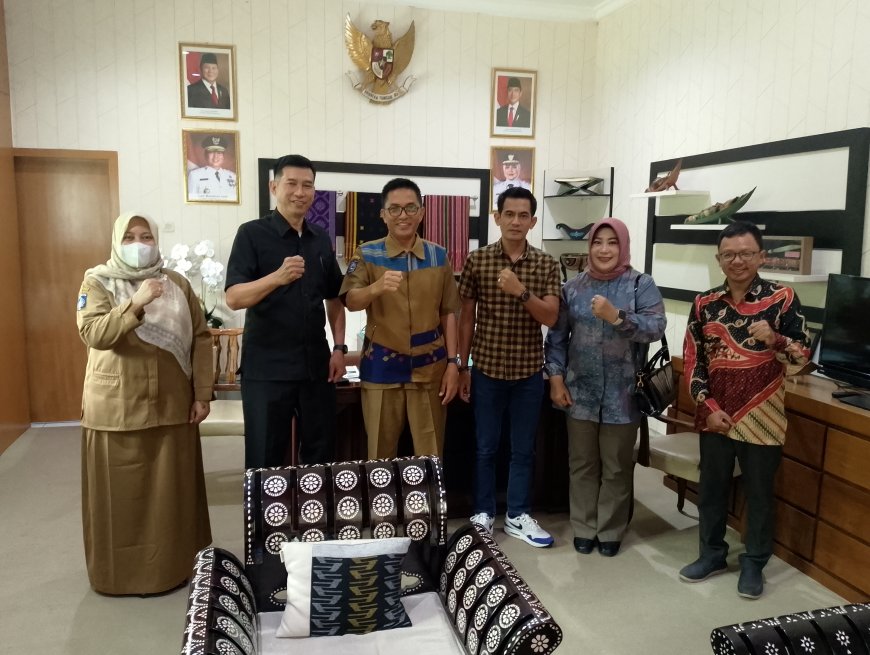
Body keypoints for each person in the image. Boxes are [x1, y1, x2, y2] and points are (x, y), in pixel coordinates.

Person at [77, 211, 213, 595]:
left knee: (171, 495)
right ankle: (117, 577)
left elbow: (201, 338)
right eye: (130, 237)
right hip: (116, 407)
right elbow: (94, 334)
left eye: (146, 236)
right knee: (120, 497)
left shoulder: (176, 284)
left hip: (172, 405)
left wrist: (202, 393)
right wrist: (135, 303)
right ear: (116, 241)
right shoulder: (97, 282)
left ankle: (173, 569)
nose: (139, 244)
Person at [678, 220, 810, 599]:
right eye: (729, 254)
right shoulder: (704, 304)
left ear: (761, 256)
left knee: (760, 494)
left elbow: (802, 358)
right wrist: (707, 405)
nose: (737, 261)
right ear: (719, 259)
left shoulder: (782, 298)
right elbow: (693, 360)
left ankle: (754, 562)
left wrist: (776, 338)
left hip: (763, 417)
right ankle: (712, 554)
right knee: (712, 490)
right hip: (715, 415)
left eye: (746, 253)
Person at [545, 218, 666, 557]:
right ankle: (584, 526)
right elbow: (557, 338)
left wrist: (617, 317)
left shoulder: (640, 284)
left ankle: (610, 529)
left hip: (623, 395)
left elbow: (656, 327)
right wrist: (555, 378)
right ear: (589, 246)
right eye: (598, 242)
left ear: (623, 246)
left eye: (612, 242)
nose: (604, 249)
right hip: (579, 392)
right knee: (581, 463)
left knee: (616, 465)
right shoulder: (573, 288)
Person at [225, 154, 346, 468]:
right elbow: (234, 298)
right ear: (274, 187)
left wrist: (339, 349)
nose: (300, 192)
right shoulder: (251, 234)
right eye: (291, 183)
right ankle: (266, 505)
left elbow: (334, 298)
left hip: (316, 367)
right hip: (267, 368)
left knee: (321, 455)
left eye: (308, 185)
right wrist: (276, 278)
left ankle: (314, 504)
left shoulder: (320, 238)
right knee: (265, 457)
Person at [458, 187, 560, 548]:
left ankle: (517, 514)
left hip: (528, 372)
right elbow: (466, 317)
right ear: (497, 217)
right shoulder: (478, 260)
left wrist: (521, 291)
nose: (516, 221)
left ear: (533, 221)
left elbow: (551, 316)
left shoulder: (546, 264)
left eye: (523, 215)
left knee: (523, 450)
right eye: (509, 214)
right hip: (486, 369)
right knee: (484, 447)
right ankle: (483, 513)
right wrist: (462, 366)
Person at [341, 177, 461, 459]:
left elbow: (449, 312)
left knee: (430, 456)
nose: (403, 215)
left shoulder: (438, 255)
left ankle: (428, 494)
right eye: (394, 209)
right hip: (381, 368)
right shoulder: (367, 253)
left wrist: (453, 364)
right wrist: (376, 287)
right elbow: (350, 301)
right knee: (380, 456)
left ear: (421, 213)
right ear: (383, 214)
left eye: (410, 208)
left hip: (430, 369)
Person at [187, 135, 237, 201]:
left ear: (223, 156)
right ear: (205, 155)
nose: (215, 156)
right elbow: (192, 203)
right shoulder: (194, 175)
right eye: (211, 152)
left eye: (219, 153)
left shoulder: (233, 176)